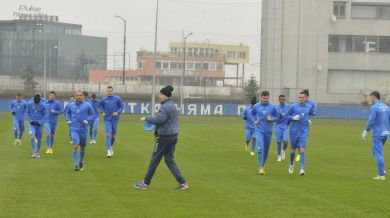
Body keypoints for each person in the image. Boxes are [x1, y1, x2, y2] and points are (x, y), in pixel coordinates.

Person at [134, 85, 188, 189]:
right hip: (173, 136)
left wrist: (147, 118)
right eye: (159, 94)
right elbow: (165, 121)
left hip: (165, 137)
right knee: (169, 161)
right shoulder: (172, 105)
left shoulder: (165, 106)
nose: (159, 96)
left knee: (154, 160)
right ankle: (182, 183)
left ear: (166, 96)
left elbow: (159, 119)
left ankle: (146, 183)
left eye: (161, 94)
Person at [362, 91, 389, 180]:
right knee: (375, 151)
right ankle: (382, 170)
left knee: (378, 153)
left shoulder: (374, 108)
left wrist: (365, 132)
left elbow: (371, 121)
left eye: (370, 98)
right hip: (385, 133)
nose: (370, 99)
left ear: (374, 97)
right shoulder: (387, 107)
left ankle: (381, 175)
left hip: (377, 134)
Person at [251, 91, 279, 175]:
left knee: (266, 150)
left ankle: (263, 165)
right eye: (264, 98)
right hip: (259, 130)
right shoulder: (256, 106)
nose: (265, 100)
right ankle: (260, 168)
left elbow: (277, 117)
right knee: (260, 148)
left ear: (269, 97)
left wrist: (272, 119)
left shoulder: (273, 106)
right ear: (261, 97)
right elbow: (252, 115)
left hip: (268, 131)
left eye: (267, 98)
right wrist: (254, 121)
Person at [66, 90, 95, 171]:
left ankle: (81, 161)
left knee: (82, 148)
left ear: (82, 96)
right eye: (77, 95)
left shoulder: (87, 105)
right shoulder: (71, 105)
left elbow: (93, 114)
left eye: (80, 95)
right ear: (75, 96)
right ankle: (76, 165)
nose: (79, 96)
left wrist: (87, 120)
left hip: (84, 129)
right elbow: (67, 113)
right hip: (74, 128)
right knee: (75, 146)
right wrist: (68, 120)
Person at [286, 92, 312, 176]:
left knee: (302, 150)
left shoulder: (308, 107)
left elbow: (307, 116)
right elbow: (287, 116)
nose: (301, 98)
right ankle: (291, 164)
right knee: (293, 150)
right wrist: (294, 118)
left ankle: (302, 169)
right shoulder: (293, 106)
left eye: (302, 97)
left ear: (305, 98)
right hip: (294, 131)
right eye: (299, 97)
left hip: (303, 131)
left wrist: (308, 121)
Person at [99, 86, 123, 157]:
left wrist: (117, 112)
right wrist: (103, 112)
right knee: (108, 135)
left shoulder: (117, 98)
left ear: (112, 91)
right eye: (108, 91)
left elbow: (121, 107)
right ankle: (108, 151)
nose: (109, 92)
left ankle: (111, 146)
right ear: (106, 92)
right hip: (107, 119)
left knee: (113, 136)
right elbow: (101, 107)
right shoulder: (103, 99)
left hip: (115, 119)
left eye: (110, 91)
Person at [294, 89, 316, 162]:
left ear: (307, 97)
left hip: (306, 124)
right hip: (297, 123)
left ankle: (300, 153)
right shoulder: (297, 102)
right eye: (301, 97)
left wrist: (312, 113)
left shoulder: (311, 103)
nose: (303, 98)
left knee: (303, 139)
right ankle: (298, 153)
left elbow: (314, 112)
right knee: (297, 139)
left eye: (304, 97)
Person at [26, 94, 48, 158]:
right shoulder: (30, 104)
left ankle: (37, 152)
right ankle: (33, 152)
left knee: (39, 139)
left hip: (39, 125)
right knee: (32, 137)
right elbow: (27, 112)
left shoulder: (43, 105)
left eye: (37, 103)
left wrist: (41, 122)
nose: (36, 104)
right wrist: (30, 120)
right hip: (32, 124)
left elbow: (46, 115)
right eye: (35, 103)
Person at [275, 95, 290, 161]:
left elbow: (291, 114)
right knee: (278, 142)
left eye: (284, 99)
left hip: (285, 126)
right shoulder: (276, 108)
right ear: (279, 100)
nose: (283, 101)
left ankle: (283, 150)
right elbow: (274, 117)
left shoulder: (288, 107)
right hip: (278, 126)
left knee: (286, 142)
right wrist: (278, 117)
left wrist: (289, 120)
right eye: (281, 99)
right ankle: (279, 156)